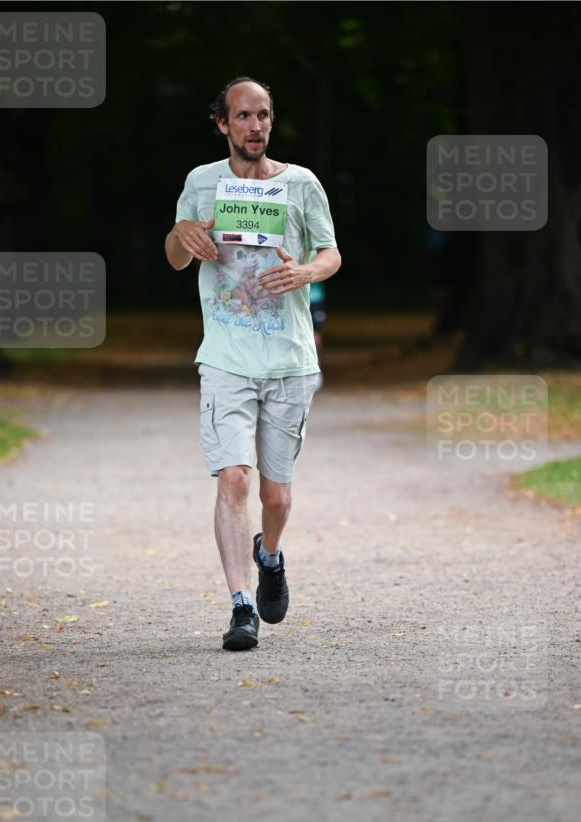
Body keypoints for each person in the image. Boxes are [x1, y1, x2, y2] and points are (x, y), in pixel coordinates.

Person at [165, 77, 341, 651]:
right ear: (223, 124)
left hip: (288, 358)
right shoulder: (201, 182)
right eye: (243, 116)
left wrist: (306, 274)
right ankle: (242, 606)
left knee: (277, 497)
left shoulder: (302, 184)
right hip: (225, 355)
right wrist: (182, 233)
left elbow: (331, 251)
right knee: (235, 479)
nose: (255, 126)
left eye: (263, 115)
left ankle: (271, 554)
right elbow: (173, 257)